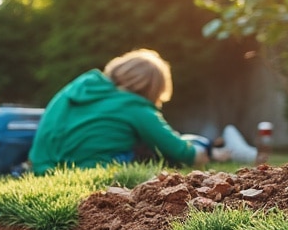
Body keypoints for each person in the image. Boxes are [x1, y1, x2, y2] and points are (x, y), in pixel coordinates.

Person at [27, 49, 210, 173]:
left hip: (41, 167)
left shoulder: (79, 88)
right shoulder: (135, 107)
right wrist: (203, 154)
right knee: (148, 151)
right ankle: (214, 148)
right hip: (88, 170)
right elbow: (183, 153)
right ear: (153, 88)